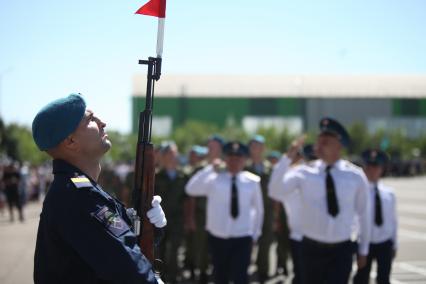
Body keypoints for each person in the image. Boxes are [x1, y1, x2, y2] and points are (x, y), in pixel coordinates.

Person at [32, 93, 167, 284]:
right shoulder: (77, 197)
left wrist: (144, 221)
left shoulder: (77, 190)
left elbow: (114, 238)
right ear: (70, 142)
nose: (102, 122)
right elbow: (126, 267)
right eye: (90, 119)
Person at [269, 117, 371, 284]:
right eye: (319, 141)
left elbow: (364, 214)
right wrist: (288, 157)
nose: (319, 145)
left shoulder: (355, 175)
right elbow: (275, 190)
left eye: (326, 142)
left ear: (339, 145)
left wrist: (363, 249)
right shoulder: (304, 172)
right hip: (311, 248)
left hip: (342, 249)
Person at [186, 141, 264, 284]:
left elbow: (259, 210)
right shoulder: (214, 178)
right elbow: (191, 189)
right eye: (231, 158)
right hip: (218, 236)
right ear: (225, 159)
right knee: (220, 276)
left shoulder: (252, 181)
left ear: (244, 160)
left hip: (243, 236)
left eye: (238, 158)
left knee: (240, 277)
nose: (234, 161)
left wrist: (255, 234)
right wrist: (210, 168)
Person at [353, 149, 398, 284]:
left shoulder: (389, 193)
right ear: (364, 168)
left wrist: (394, 243)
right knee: (361, 278)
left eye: (376, 167)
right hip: (365, 243)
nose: (372, 170)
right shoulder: (358, 192)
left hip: (384, 243)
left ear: (381, 169)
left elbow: (393, 220)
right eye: (369, 167)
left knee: (384, 278)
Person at [155, 141, 189, 283]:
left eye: (174, 153)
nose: (171, 157)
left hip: (177, 219)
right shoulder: (156, 176)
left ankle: (173, 277)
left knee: (175, 249)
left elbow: (188, 200)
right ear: (162, 157)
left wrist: (189, 219)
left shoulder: (183, 175)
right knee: (159, 250)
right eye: (168, 154)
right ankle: (159, 278)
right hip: (159, 219)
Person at [245, 135, 277, 283]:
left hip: (268, 210)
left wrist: (276, 215)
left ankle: (263, 270)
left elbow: (276, 194)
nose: (257, 149)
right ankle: (243, 269)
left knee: (266, 241)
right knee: (246, 241)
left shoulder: (270, 169)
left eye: (260, 146)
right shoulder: (245, 168)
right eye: (254, 146)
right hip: (248, 211)